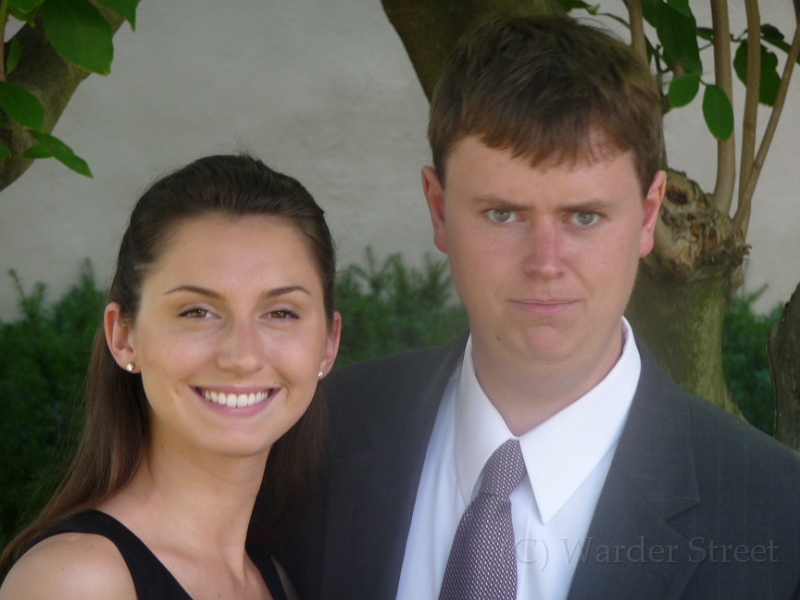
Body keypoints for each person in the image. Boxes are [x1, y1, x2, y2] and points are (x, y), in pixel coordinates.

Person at [263, 15, 800, 600]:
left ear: (648, 217)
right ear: (439, 210)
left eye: (584, 217)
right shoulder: (307, 442)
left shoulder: (778, 514)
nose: (546, 262)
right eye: (503, 214)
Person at [0, 155, 341, 600]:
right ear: (124, 337)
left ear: (328, 343)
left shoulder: (276, 580)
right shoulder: (78, 581)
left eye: (280, 313)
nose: (242, 356)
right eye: (196, 312)